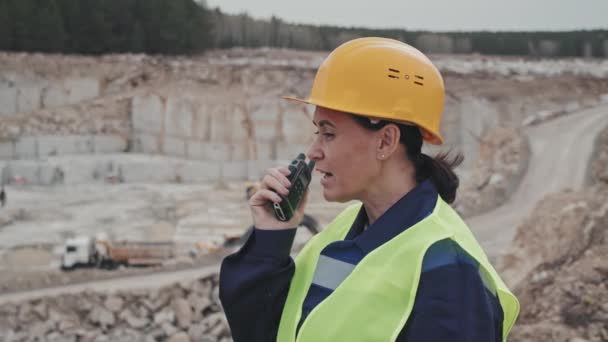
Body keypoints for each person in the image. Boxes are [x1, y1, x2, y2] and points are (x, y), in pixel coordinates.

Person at [219, 37, 519, 342]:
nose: (313, 152)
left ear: (386, 141)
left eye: (328, 134)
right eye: (317, 132)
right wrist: (270, 241)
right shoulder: (345, 231)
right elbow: (271, 331)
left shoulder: (448, 269)